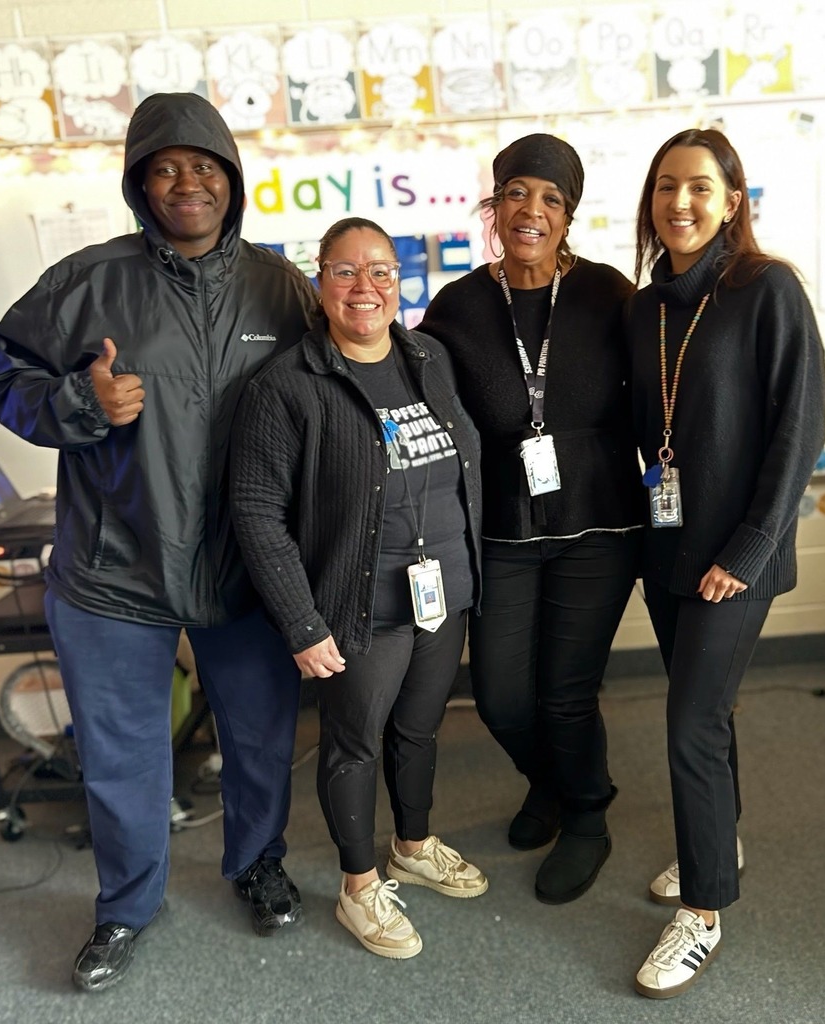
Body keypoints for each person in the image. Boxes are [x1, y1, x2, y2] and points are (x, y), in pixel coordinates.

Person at [0, 92, 318, 991]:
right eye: (164, 167)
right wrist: (77, 404)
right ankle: (126, 906)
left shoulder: (280, 287)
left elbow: (325, 400)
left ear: (231, 179)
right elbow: (7, 378)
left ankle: (255, 863)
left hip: (244, 563)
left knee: (258, 736)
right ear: (139, 183)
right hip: (113, 567)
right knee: (123, 751)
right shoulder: (87, 282)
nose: (186, 182)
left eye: (203, 165)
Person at [230, 216, 487, 960]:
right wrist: (303, 624)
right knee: (353, 744)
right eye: (345, 272)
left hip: (442, 588)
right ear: (319, 283)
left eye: (379, 271)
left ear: (398, 281)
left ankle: (412, 842)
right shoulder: (287, 384)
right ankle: (358, 884)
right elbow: (254, 510)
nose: (364, 287)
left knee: (419, 729)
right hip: (358, 603)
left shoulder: (428, 357)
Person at [626, 128, 825, 998]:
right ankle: (722, 833)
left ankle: (703, 910)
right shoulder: (646, 305)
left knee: (688, 725)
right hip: (668, 547)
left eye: (699, 188)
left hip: (735, 555)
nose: (680, 203)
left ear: (731, 200)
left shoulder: (766, 288)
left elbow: (801, 426)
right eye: (666, 187)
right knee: (704, 712)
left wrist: (749, 548)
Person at [420, 134, 644, 904]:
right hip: (504, 531)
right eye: (518, 192)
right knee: (500, 698)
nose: (532, 210)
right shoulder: (456, 305)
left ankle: (586, 813)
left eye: (551, 199)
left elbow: (659, 392)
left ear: (567, 216)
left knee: (562, 692)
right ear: (495, 205)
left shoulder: (609, 294)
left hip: (599, 527)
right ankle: (548, 782)